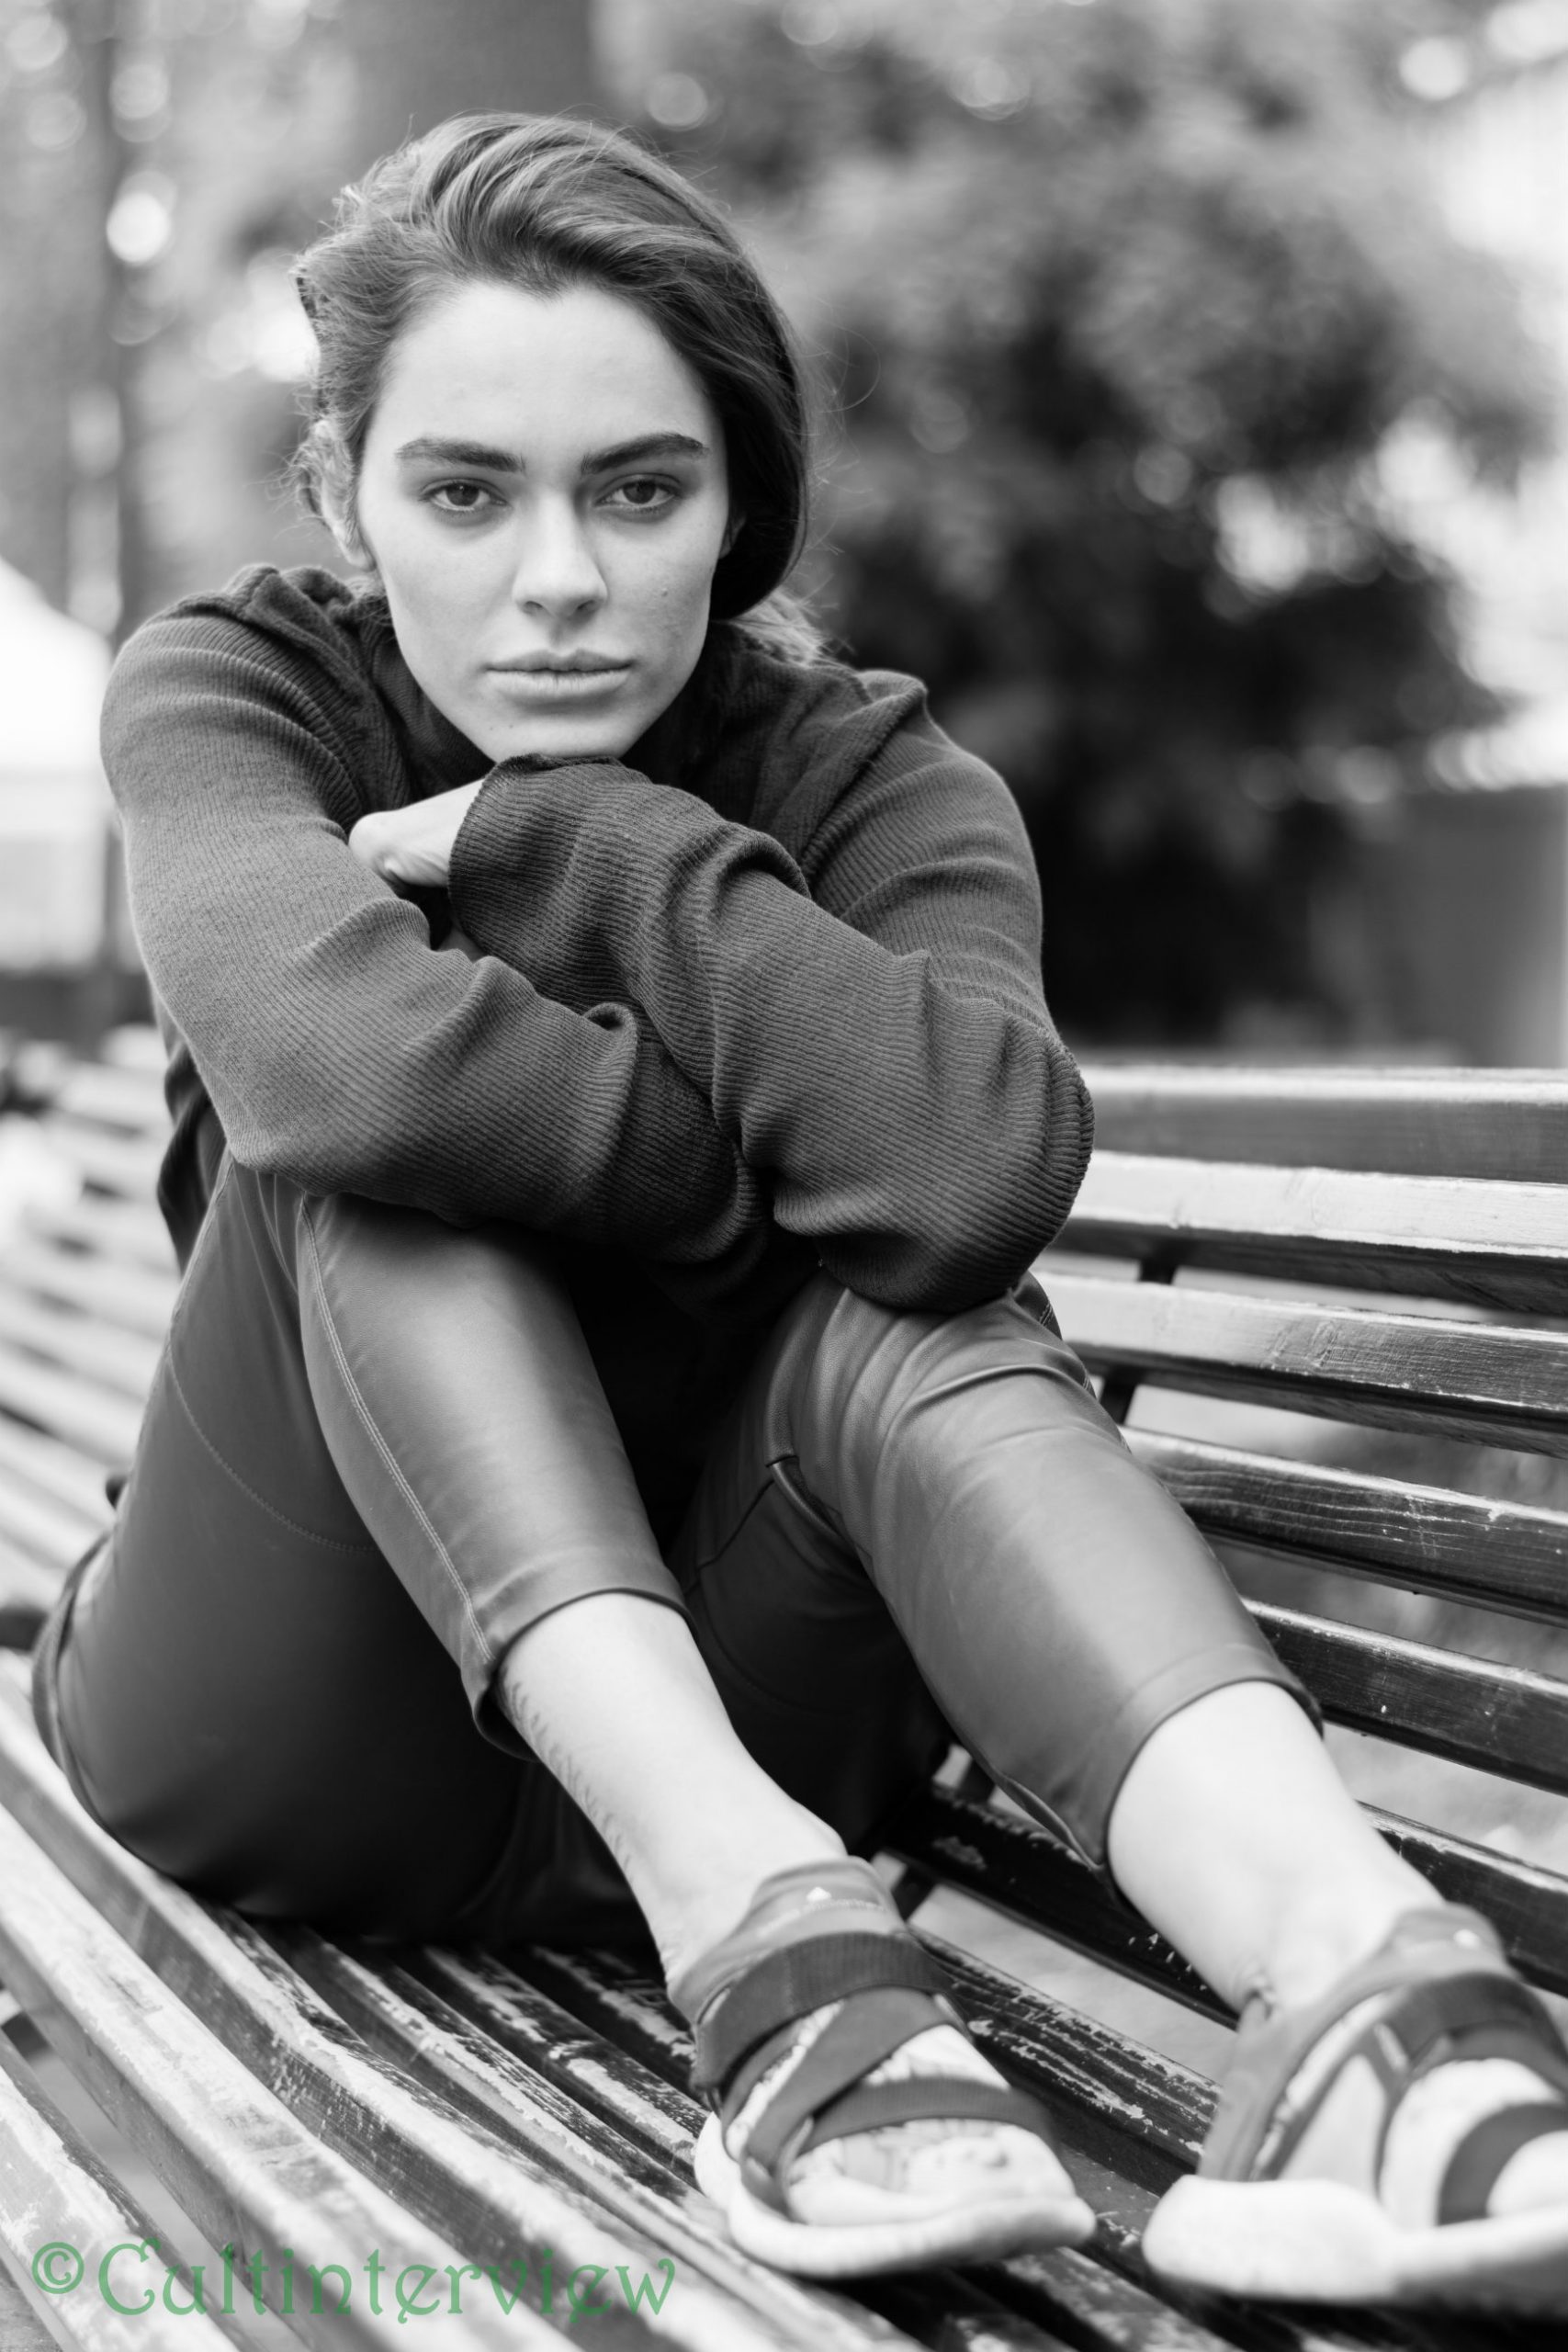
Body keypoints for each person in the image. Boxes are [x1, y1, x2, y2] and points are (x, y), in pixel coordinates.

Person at [31, 112, 1568, 2306]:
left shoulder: (868, 781)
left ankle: (1375, 2000)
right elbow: (338, 1070)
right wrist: (749, 1174)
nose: (556, 579)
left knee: (926, 1315)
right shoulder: (237, 691)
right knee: (370, 1176)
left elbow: (968, 1171)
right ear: (344, 498)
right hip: (293, 1713)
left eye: (635, 491)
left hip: (760, 1692)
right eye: (463, 493)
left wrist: (578, 840)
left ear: (736, 506)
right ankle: (760, 1948)